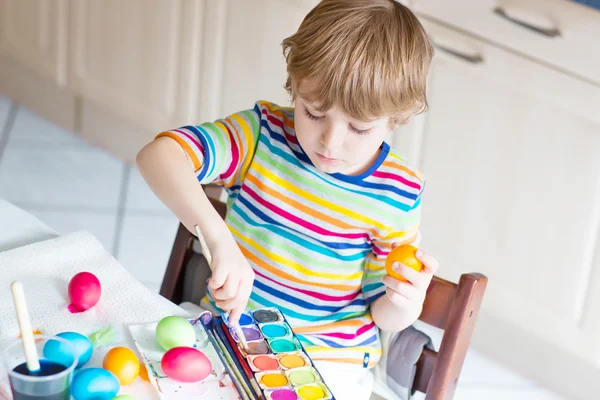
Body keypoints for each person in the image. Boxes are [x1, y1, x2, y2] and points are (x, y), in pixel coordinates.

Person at [137, 0, 439, 398]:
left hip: (329, 361)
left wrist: (404, 303)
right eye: (313, 113)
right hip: (229, 331)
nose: (331, 141)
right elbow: (158, 156)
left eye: (360, 127)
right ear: (295, 87)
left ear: (396, 117)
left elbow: (380, 309)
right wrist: (217, 237)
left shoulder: (397, 192)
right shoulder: (262, 135)